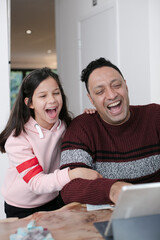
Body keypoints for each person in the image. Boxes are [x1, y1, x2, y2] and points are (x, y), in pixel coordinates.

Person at [0, 67, 101, 218]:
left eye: (56, 93)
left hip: (54, 198)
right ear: (30, 103)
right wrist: (74, 174)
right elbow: (36, 183)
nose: (52, 100)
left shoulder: (66, 126)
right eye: (43, 96)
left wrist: (87, 118)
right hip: (22, 207)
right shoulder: (17, 139)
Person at [59, 57, 160, 206]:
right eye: (100, 91)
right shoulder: (81, 128)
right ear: (91, 99)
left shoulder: (155, 115)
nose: (112, 95)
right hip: (106, 219)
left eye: (117, 85)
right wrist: (112, 189)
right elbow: (69, 188)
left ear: (126, 86)